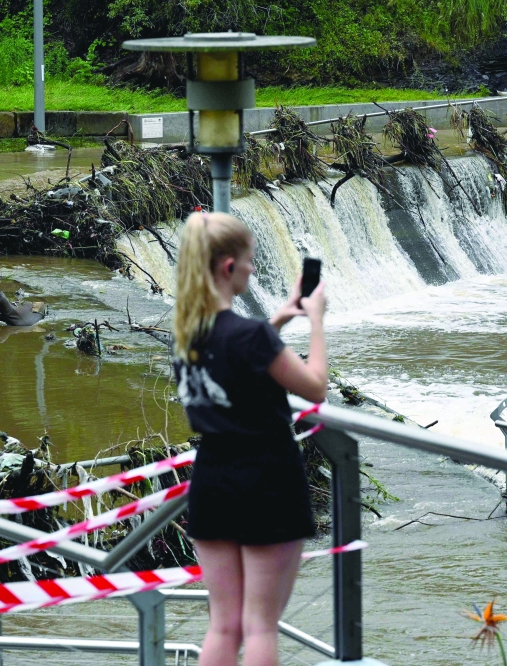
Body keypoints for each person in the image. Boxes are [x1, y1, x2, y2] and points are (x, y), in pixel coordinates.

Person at [172, 211, 327, 666]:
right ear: (227, 268)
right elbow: (315, 386)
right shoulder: (251, 335)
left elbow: (234, 361)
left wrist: (276, 320)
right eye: (249, 261)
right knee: (261, 626)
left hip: (213, 480)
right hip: (267, 479)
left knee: (224, 624)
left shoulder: (186, 336)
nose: (253, 269)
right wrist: (316, 319)